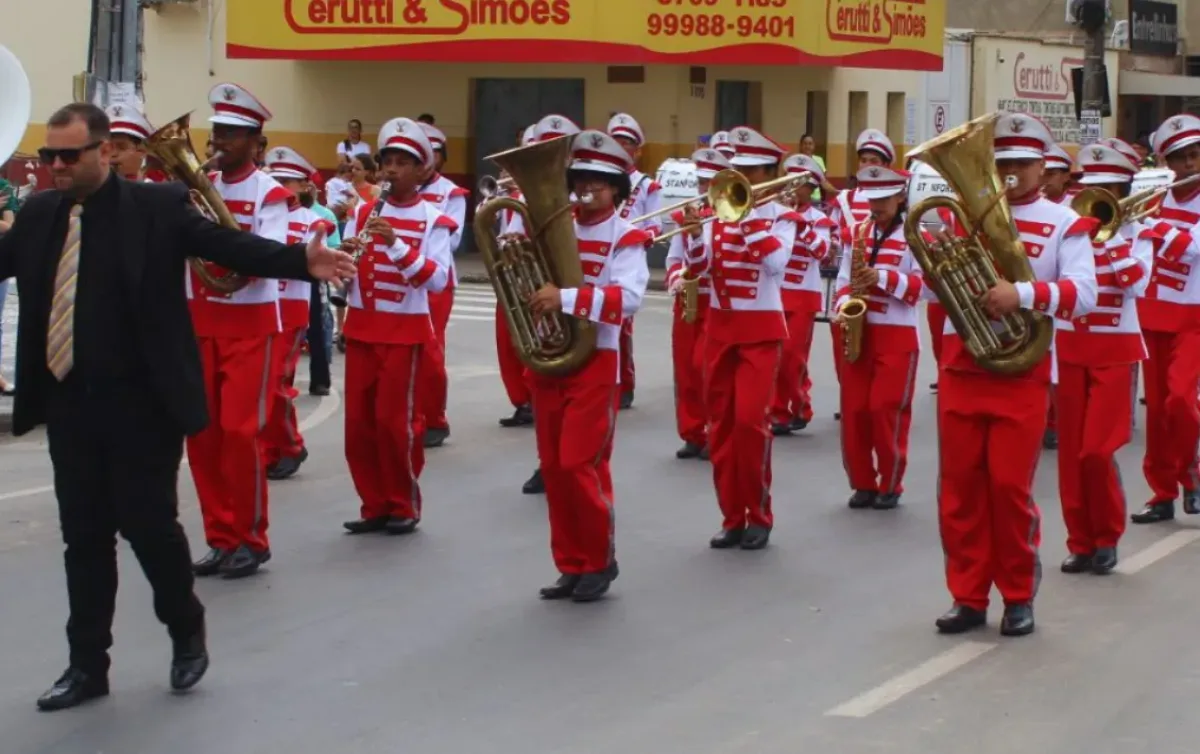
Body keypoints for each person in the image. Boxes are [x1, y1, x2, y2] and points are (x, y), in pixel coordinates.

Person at [0, 102, 353, 711]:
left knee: (148, 528)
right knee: (83, 539)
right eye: (48, 155)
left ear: (105, 152)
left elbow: (228, 244)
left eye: (68, 155)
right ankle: (87, 667)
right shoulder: (37, 215)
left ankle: (185, 627)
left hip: (143, 404)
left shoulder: (155, 209)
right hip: (70, 404)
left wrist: (300, 261)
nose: (54, 166)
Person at [934, 112, 1097, 637]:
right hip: (962, 366)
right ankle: (968, 595)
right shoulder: (962, 216)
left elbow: (1084, 295)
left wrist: (1021, 294)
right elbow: (927, 283)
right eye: (1001, 163)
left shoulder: (1065, 222)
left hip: (1020, 373)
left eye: (1022, 164)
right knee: (959, 491)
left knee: (1008, 489)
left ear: (1042, 166)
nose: (1010, 173)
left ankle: (1019, 594)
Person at [526, 128, 649, 601]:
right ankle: (570, 563)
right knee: (555, 468)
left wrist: (567, 297)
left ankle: (599, 559)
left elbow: (632, 297)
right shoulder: (555, 223)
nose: (585, 188)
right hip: (551, 357)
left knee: (581, 463)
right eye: (579, 178)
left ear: (618, 188)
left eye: (597, 180)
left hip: (597, 358)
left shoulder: (628, 235)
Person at [187, 82, 293, 580]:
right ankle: (220, 537)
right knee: (203, 435)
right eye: (217, 133)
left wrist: (220, 240)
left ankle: (251, 537)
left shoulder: (270, 192)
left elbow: (266, 258)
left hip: (250, 323)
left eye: (232, 134)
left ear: (255, 142)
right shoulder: (189, 189)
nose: (219, 143)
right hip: (199, 319)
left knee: (239, 431)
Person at [340, 118, 455, 536]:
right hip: (362, 328)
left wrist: (395, 245)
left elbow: (438, 279)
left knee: (395, 424)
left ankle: (402, 502)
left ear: (423, 170)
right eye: (387, 161)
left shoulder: (434, 219)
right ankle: (373, 504)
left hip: (403, 332)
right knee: (358, 427)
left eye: (403, 162)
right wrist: (343, 260)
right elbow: (348, 272)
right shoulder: (364, 212)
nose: (391, 170)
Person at [1055, 143, 1153, 574]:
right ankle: (1080, 541)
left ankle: (1107, 535)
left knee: (1097, 451)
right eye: (1091, 187)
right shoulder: (1068, 228)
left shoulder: (1141, 232)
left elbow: (1137, 285)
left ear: (1123, 188)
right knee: (1071, 453)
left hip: (1115, 349)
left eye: (1108, 188)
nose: (1098, 198)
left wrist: (1110, 241)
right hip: (1070, 346)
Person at [701, 126, 799, 550]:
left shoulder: (782, 215)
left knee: (749, 423)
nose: (745, 181)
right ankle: (731, 516)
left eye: (753, 173)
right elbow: (699, 267)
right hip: (720, 326)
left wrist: (751, 219)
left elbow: (778, 264)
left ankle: (759, 514)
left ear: (768, 173)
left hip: (760, 328)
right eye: (738, 171)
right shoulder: (716, 213)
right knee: (720, 425)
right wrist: (690, 235)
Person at [833, 165, 923, 510]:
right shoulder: (859, 231)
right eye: (872, 199)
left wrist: (883, 278)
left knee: (885, 409)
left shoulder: (916, 234)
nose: (876, 207)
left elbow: (925, 288)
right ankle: (862, 483)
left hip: (898, 333)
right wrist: (843, 302)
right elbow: (843, 277)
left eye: (884, 199)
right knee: (855, 411)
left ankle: (890, 482)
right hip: (859, 330)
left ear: (901, 197)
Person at [1131, 114, 1200, 524]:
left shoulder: (1156, 213)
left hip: (1193, 315)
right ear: (1166, 162)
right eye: (1180, 158)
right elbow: (1138, 250)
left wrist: (1159, 231)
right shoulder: (1154, 200)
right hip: (1153, 313)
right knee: (1156, 410)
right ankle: (1161, 493)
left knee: (1180, 399)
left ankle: (1191, 477)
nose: (1190, 164)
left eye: (1195, 155)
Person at [261, 146, 327, 479]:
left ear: (303, 185)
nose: (280, 186)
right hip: (260, 306)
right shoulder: (262, 211)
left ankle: (289, 446)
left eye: (287, 180)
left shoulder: (311, 222)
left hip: (290, 309)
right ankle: (269, 448)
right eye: (274, 179)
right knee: (259, 386)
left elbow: (314, 264)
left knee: (276, 384)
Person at [828, 129, 896, 419]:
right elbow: (833, 231)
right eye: (863, 159)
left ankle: (870, 399)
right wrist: (838, 240)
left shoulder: (892, 199)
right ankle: (851, 397)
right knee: (843, 343)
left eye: (874, 160)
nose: (867, 164)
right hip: (849, 272)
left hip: (878, 273)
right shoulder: (844, 199)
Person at [665, 147, 726, 460]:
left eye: (710, 183)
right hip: (688, 300)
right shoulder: (686, 213)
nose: (704, 189)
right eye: (701, 182)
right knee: (685, 369)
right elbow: (674, 257)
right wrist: (676, 276)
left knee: (708, 368)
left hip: (714, 301)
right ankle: (692, 432)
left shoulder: (727, 215)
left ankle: (715, 431)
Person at [771, 153, 834, 435]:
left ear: (811, 188)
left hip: (803, 294)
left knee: (793, 357)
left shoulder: (819, 219)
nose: (792, 190)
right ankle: (786, 409)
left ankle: (795, 406)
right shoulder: (774, 212)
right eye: (789, 183)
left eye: (799, 184)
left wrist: (801, 225)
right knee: (775, 357)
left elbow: (822, 254)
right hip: (774, 292)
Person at [416, 122, 469, 448]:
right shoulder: (395, 190)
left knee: (430, 352)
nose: (425, 160)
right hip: (401, 280)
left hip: (435, 281)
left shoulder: (451, 193)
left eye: (432, 153)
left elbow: (453, 239)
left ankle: (435, 418)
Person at [607, 113, 662, 411]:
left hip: (627, 253)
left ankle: (623, 384)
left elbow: (656, 226)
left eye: (627, 143)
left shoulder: (647, 186)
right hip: (600, 251)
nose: (621, 148)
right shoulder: (599, 177)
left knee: (622, 326)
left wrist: (640, 234)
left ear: (637, 150)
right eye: (616, 142)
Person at [103, 104, 153, 181]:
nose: (113, 154)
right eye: (108, 148)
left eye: (122, 147)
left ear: (141, 151)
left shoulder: (157, 190)